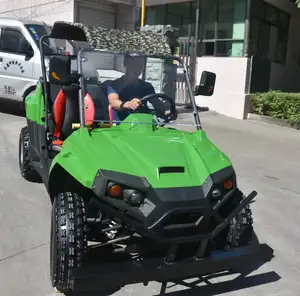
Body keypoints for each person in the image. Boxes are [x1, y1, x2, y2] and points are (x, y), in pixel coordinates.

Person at [106, 55, 155, 121]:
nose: (137, 68)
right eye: (134, 64)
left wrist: (167, 109)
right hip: (121, 127)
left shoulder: (147, 87)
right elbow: (113, 101)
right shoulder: (114, 85)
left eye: (140, 65)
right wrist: (128, 104)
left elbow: (157, 103)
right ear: (125, 63)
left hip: (145, 125)